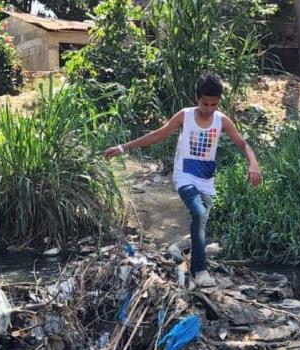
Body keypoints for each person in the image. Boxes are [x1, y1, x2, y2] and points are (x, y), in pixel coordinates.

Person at [104, 70, 262, 287]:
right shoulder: (185, 116)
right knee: (197, 212)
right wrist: (123, 147)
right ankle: (200, 271)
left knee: (199, 222)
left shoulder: (222, 120)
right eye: (205, 104)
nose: (209, 109)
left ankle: (186, 257)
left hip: (207, 179)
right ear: (197, 98)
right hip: (184, 175)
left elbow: (243, 144)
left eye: (213, 104)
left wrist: (253, 163)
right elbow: (157, 135)